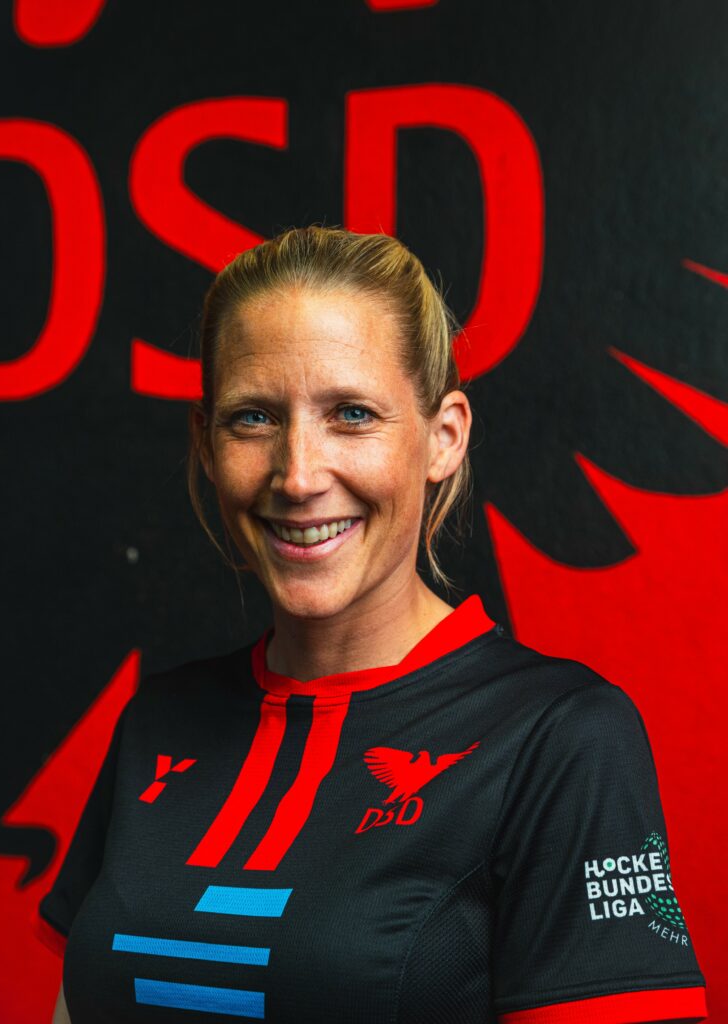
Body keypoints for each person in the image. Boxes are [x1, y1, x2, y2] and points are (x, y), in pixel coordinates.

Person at [38, 226, 708, 1023]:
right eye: (253, 418)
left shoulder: (560, 737)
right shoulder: (158, 722)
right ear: (207, 446)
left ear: (443, 438)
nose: (298, 475)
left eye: (351, 414)